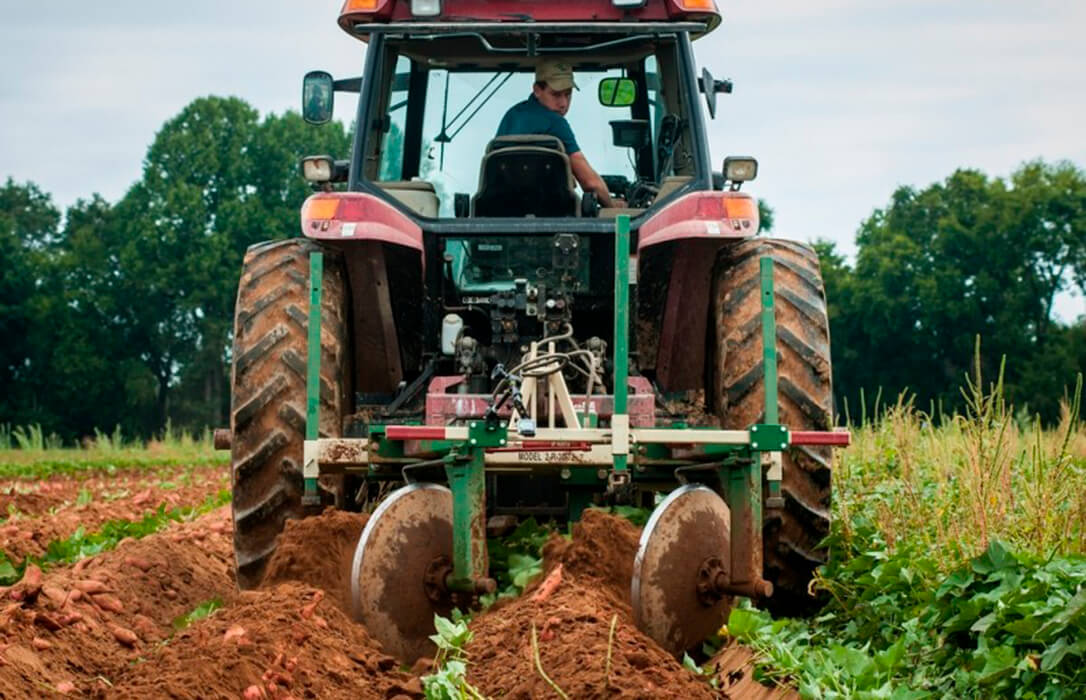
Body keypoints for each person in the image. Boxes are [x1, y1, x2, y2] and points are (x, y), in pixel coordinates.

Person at [496, 61, 624, 208]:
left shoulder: (512, 115)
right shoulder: (555, 122)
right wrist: (612, 206)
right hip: (550, 215)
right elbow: (590, 182)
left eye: (568, 94)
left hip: (501, 211)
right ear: (537, 90)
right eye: (556, 95)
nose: (563, 103)